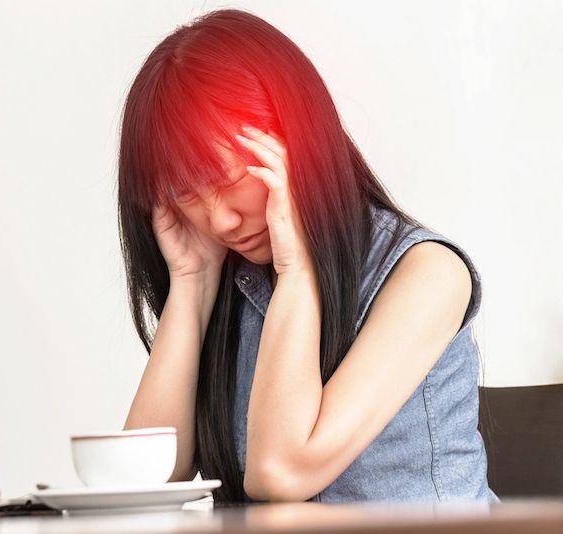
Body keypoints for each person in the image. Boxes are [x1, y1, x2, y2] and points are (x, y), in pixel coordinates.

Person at [117, 8, 497, 504]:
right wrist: (191, 282)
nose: (220, 221)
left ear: (294, 145)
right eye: (188, 196)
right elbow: (138, 484)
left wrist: (298, 272)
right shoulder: (232, 281)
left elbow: (281, 473)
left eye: (230, 182)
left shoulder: (428, 274)